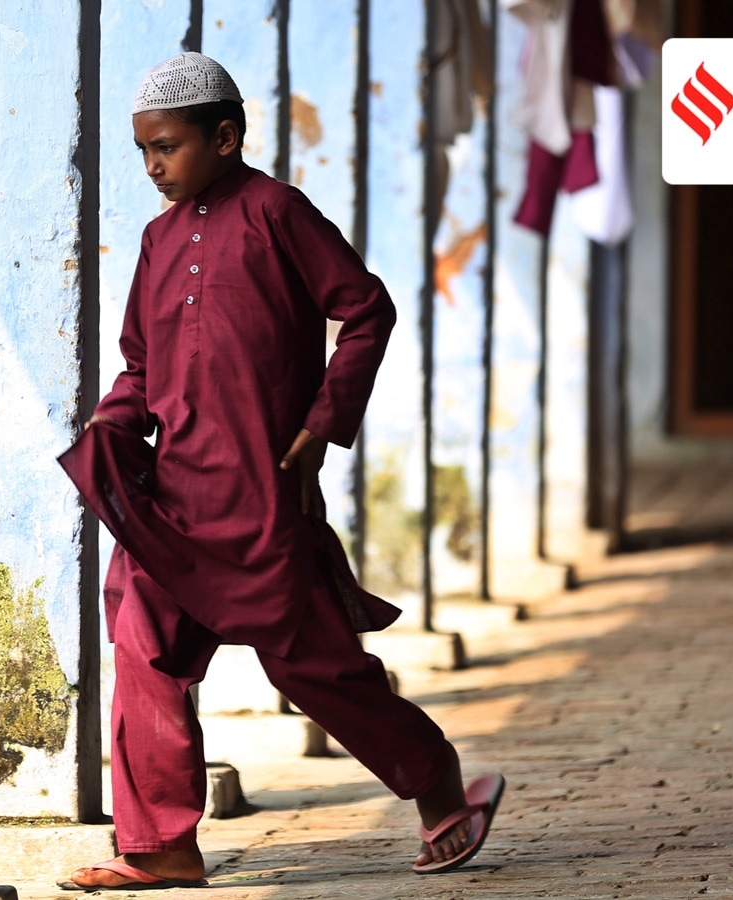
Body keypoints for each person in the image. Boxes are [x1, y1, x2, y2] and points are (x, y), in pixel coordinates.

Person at [58, 52, 506, 891]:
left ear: (223, 138)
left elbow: (366, 310)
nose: (154, 167)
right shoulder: (157, 241)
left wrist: (319, 429)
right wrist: (113, 428)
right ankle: (160, 844)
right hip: (174, 500)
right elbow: (140, 365)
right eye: (143, 152)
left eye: (167, 147)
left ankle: (438, 785)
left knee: (312, 663)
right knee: (141, 645)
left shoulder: (278, 213)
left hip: (263, 495)